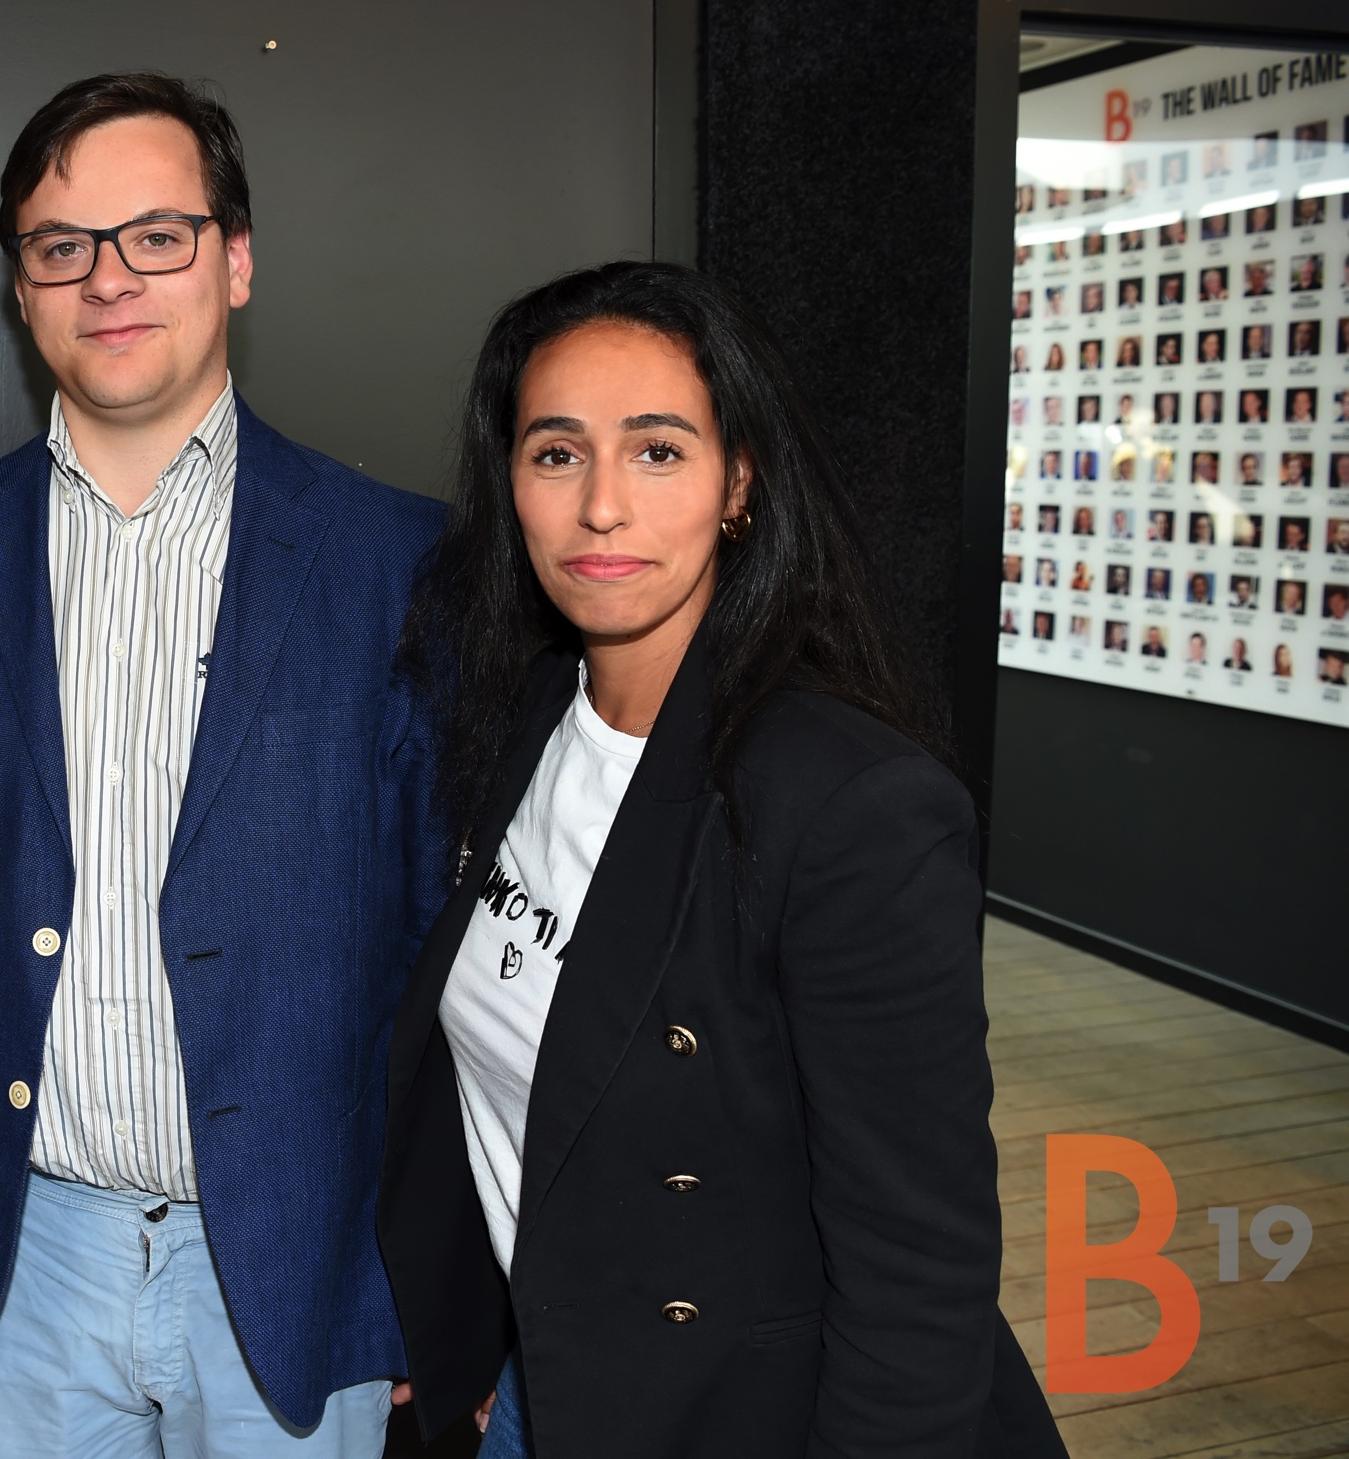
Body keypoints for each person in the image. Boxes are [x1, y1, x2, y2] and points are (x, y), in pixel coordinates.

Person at [0, 73, 447, 1457]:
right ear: (21, 289)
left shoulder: (396, 560)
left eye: (157, 235)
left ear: (235, 261)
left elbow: (434, 937)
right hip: (27, 1250)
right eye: (63, 246)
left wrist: (422, 1250)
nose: (108, 278)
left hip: (300, 1253)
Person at [378, 262, 1062, 1457]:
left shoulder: (851, 805)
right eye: (556, 453)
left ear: (737, 483)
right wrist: (475, 1337)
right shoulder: (523, 720)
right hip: (554, 1389)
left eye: (656, 451)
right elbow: (504, 1095)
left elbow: (917, 1268)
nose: (601, 506)